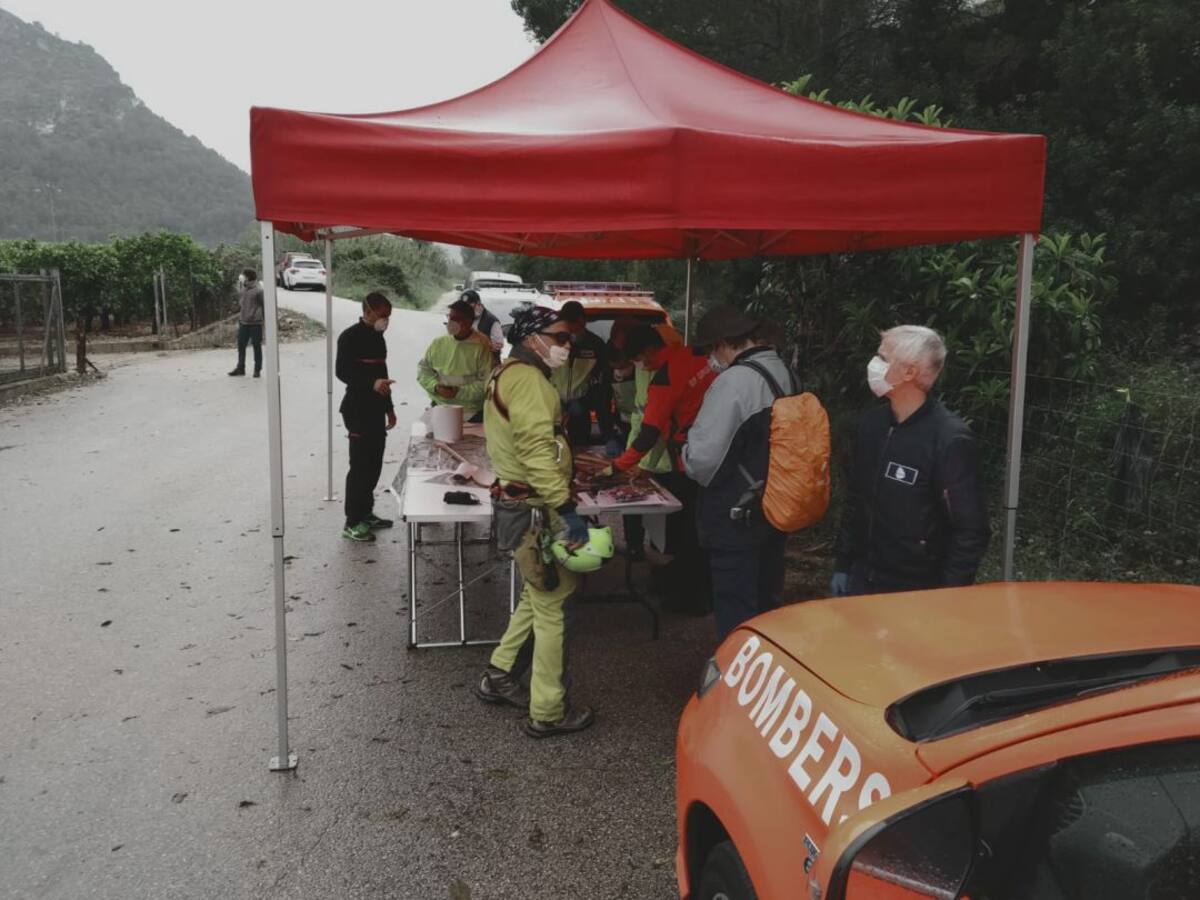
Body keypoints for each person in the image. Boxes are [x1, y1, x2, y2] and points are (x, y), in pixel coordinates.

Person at [474, 304, 595, 738]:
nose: (567, 345)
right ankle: (549, 711)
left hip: (520, 504)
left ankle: (500, 674)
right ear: (532, 338)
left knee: (539, 593)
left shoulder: (507, 373)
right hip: (534, 509)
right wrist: (566, 509)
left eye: (568, 338)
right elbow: (536, 452)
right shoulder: (528, 381)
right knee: (554, 604)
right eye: (560, 337)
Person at [832, 325, 990, 596]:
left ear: (909, 372)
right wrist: (843, 563)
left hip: (915, 591)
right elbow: (856, 498)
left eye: (883, 358)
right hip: (863, 577)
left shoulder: (949, 439)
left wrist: (947, 595)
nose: (873, 364)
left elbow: (971, 530)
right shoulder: (872, 424)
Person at [683, 305, 793, 639]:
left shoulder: (734, 381)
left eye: (710, 350)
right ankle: (765, 665)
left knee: (736, 605)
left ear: (723, 344)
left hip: (738, 513)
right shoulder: (783, 372)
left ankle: (733, 667)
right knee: (766, 598)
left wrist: (684, 452)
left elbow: (703, 460)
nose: (710, 359)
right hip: (775, 503)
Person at [616, 323, 716, 613]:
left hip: (689, 460)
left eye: (638, 360)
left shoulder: (665, 378)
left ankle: (691, 599)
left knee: (687, 530)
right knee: (700, 526)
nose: (640, 366)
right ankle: (691, 581)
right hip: (718, 453)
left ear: (648, 352)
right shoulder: (698, 355)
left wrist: (618, 466)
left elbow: (649, 432)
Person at [335, 292, 397, 543]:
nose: (386, 321)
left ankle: (366, 513)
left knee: (374, 465)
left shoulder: (378, 337)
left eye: (388, 316)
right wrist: (371, 383)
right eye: (382, 315)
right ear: (368, 311)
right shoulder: (349, 337)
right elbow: (342, 371)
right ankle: (352, 521)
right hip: (357, 409)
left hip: (376, 410)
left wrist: (389, 408)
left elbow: (383, 374)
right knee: (360, 467)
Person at [416, 299, 494, 422]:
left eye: (457, 319)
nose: (451, 322)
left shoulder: (482, 345)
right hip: (440, 407)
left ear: (469, 321)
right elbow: (423, 372)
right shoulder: (438, 343)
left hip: (472, 412)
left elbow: (486, 384)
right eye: (450, 317)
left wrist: (458, 392)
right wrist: (435, 387)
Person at [552, 300, 614, 447]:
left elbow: (603, 380)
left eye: (570, 324)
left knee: (579, 446)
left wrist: (587, 399)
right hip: (553, 403)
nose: (568, 328)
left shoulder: (595, 344)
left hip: (581, 405)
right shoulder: (554, 341)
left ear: (581, 321)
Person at [228, 268, 263, 377]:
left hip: (255, 323)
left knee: (256, 346)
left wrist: (263, 321)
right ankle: (240, 368)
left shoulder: (259, 290)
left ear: (248, 277)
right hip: (243, 322)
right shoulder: (243, 288)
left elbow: (264, 305)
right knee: (241, 345)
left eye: (244, 275)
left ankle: (257, 370)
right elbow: (241, 303)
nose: (242, 277)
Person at [463, 289, 504, 362]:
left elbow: (498, 345)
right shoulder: (464, 317)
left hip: (486, 362)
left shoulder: (492, 321)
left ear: (478, 304)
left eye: (470, 307)